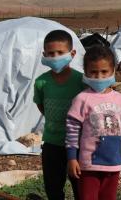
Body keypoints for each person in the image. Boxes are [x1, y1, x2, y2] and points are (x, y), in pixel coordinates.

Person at [65, 45, 121, 200]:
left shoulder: (120, 99)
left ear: (113, 71)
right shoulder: (82, 99)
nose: (99, 77)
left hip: (113, 163)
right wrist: (72, 158)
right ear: (85, 72)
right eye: (93, 72)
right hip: (88, 164)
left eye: (104, 72)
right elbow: (72, 131)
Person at [34, 29, 84, 200]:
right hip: (52, 143)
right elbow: (42, 107)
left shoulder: (81, 81)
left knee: (81, 186)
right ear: (44, 54)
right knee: (53, 188)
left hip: (78, 144)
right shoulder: (41, 82)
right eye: (51, 53)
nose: (55, 57)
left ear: (72, 53)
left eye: (60, 53)